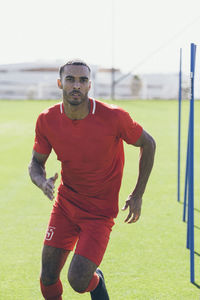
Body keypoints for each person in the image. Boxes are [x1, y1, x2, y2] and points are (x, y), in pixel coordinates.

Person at [28, 59, 156, 300]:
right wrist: (41, 181)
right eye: (70, 79)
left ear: (89, 86)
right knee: (47, 277)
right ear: (60, 83)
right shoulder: (47, 119)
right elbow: (35, 162)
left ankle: (96, 283)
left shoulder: (114, 117)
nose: (76, 85)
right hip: (65, 206)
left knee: (78, 280)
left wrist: (138, 194)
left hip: (99, 213)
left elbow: (148, 143)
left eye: (82, 80)